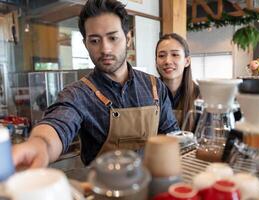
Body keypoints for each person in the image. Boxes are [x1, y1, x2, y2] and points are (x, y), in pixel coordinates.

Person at [12, 0, 179, 167]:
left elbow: (174, 137)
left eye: (113, 38)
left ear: (128, 38)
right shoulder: (78, 94)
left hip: (151, 185)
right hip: (102, 189)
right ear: (85, 44)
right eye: (94, 41)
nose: (105, 49)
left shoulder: (154, 86)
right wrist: (40, 144)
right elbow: (59, 123)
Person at [155, 33, 200, 131]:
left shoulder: (200, 95)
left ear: (187, 61)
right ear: (156, 61)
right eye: (161, 55)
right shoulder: (147, 92)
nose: (167, 61)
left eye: (175, 55)